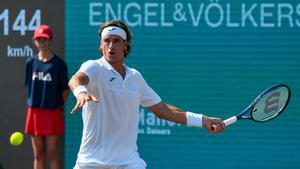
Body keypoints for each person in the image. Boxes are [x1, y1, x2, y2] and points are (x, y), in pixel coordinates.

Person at [69, 19, 225, 169]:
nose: (111, 46)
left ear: (125, 45)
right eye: (107, 41)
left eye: (116, 40)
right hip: (92, 161)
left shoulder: (135, 77)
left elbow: (162, 110)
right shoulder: (94, 67)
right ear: (101, 45)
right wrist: (81, 92)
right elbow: (76, 79)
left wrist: (202, 120)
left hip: (128, 161)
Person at [24, 25, 69, 169]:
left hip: (52, 112)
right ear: (35, 41)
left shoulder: (59, 64)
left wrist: (58, 106)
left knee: (52, 154)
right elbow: (29, 86)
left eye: (44, 39)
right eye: (39, 39)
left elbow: (64, 90)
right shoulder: (31, 63)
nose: (42, 43)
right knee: (38, 154)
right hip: (35, 112)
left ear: (50, 40)